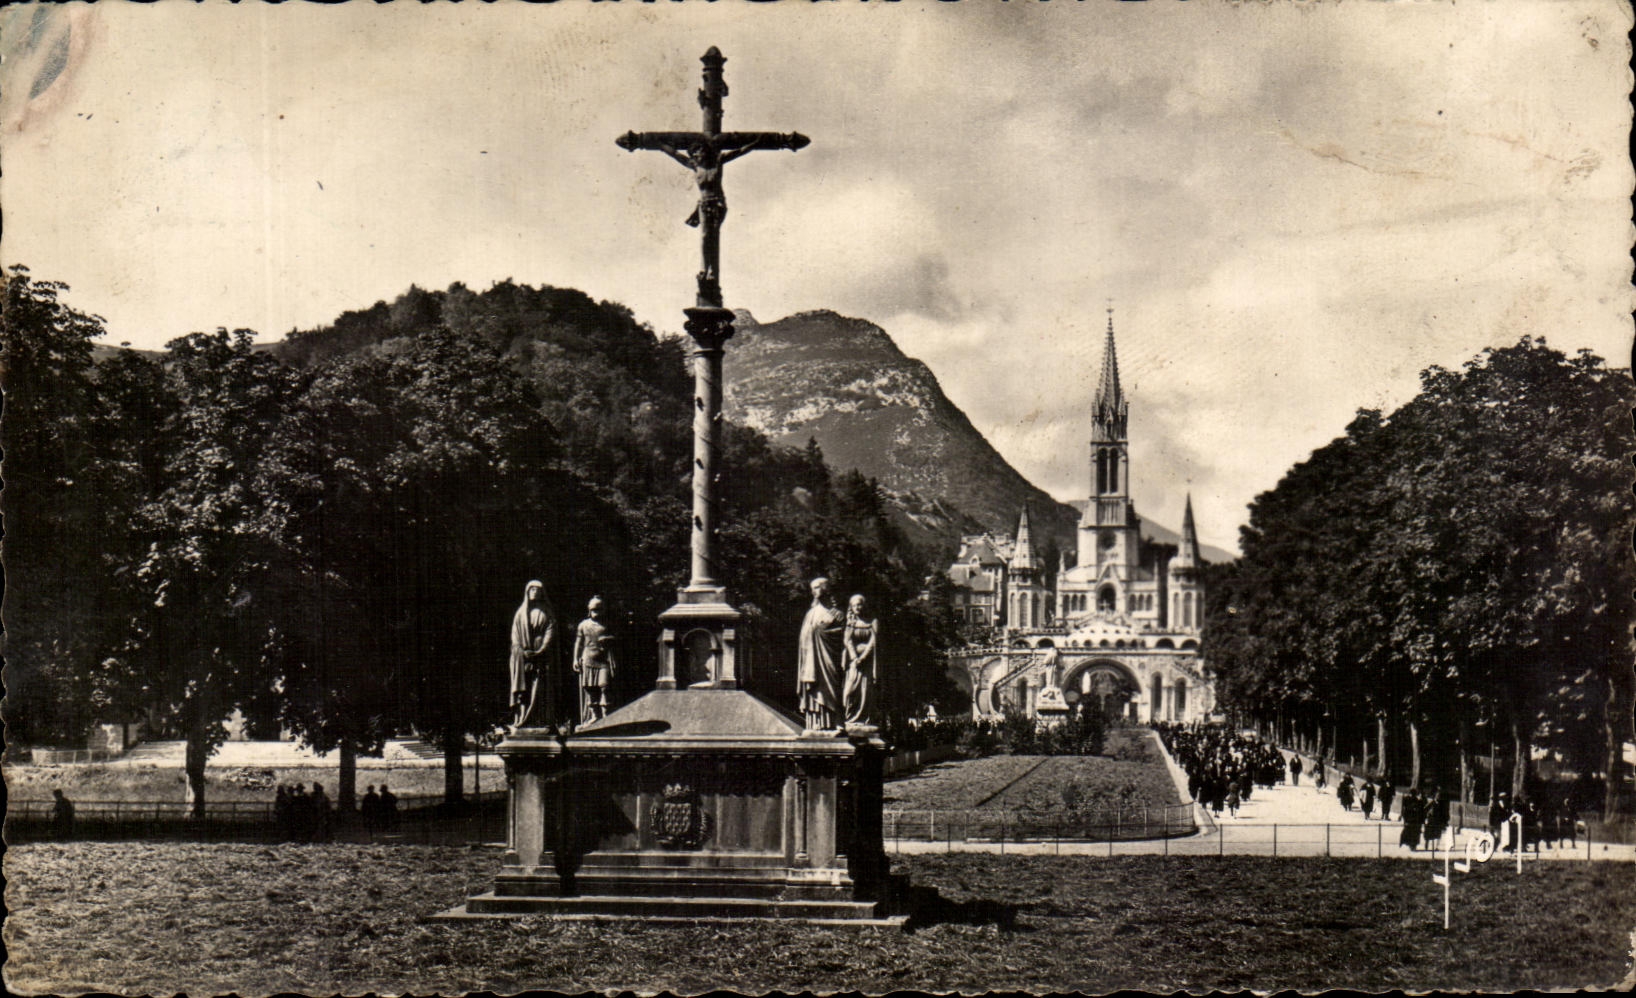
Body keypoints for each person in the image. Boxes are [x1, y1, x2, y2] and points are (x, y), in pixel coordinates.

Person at [796, 577, 845, 733]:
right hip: (811, 659)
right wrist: (815, 632)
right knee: (815, 688)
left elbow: (842, 636)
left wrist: (823, 631)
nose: (814, 591)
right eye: (813, 588)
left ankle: (835, 723)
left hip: (829, 657)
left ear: (826, 589)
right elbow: (803, 638)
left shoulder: (837, 614)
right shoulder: (810, 614)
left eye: (817, 587)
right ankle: (816, 723)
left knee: (832, 688)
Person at [509, 580, 559, 730]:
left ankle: (541, 720)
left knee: (541, 687)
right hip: (522, 656)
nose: (535, 592)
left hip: (541, 656)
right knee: (524, 688)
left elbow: (551, 631)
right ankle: (522, 718)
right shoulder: (521, 612)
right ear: (527, 592)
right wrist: (523, 651)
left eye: (538, 590)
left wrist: (541, 650)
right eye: (532, 590)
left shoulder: (547, 611)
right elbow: (515, 635)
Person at [573, 596, 617, 724]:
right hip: (588, 659)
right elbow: (578, 642)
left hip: (604, 660)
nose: (596, 613)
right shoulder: (583, 625)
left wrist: (608, 639)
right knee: (590, 688)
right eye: (594, 610)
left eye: (599, 610)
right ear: (589, 610)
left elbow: (617, 639)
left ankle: (606, 715)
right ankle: (594, 716)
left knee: (604, 686)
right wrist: (575, 659)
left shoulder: (608, 624)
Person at [841, 594, 879, 728]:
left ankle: (863, 720)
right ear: (851, 607)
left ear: (864, 605)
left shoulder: (872, 621)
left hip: (867, 662)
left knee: (865, 691)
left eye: (860, 604)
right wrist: (854, 657)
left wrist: (863, 658)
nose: (857, 607)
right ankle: (850, 718)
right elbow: (847, 640)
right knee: (849, 691)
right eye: (855, 605)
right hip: (854, 662)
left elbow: (873, 641)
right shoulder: (850, 622)